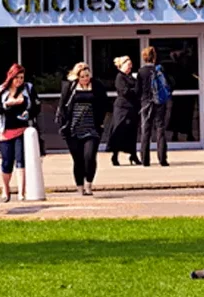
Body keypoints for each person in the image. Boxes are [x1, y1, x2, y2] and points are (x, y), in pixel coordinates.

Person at [56, 62, 110, 195]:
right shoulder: (71, 87)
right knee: (78, 159)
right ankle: (79, 186)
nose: (86, 78)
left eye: (87, 75)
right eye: (82, 76)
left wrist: (101, 121)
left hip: (92, 128)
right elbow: (62, 106)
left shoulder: (97, 86)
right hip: (73, 129)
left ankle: (88, 184)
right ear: (77, 77)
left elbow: (105, 104)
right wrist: (64, 124)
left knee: (89, 157)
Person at [0, 63, 38, 202]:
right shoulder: (1, 90)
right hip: (6, 131)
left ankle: (21, 192)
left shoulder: (28, 89)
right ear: (11, 77)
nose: (19, 80)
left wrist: (28, 113)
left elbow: (36, 107)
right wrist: (7, 104)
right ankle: (5, 188)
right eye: (17, 77)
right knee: (7, 162)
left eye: (22, 77)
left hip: (22, 129)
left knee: (20, 159)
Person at [137, 46, 170, 167]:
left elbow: (138, 90)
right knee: (160, 129)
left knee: (146, 130)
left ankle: (145, 160)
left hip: (146, 103)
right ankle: (162, 159)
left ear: (144, 57)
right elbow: (169, 84)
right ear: (154, 57)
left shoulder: (141, 72)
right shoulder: (160, 70)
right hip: (159, 103)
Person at [106, 55, 141, 166]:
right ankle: (115, 155)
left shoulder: (131, 77)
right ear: (122, 65)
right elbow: (125, 91)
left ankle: (133, 155)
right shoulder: (120, 77)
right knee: (119, 130)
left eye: (131, 65)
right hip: (122, 108)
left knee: (132, 132)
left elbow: (138, 89)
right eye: (128, 65)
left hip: (133, 108)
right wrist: (135, 90)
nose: (130, 67)